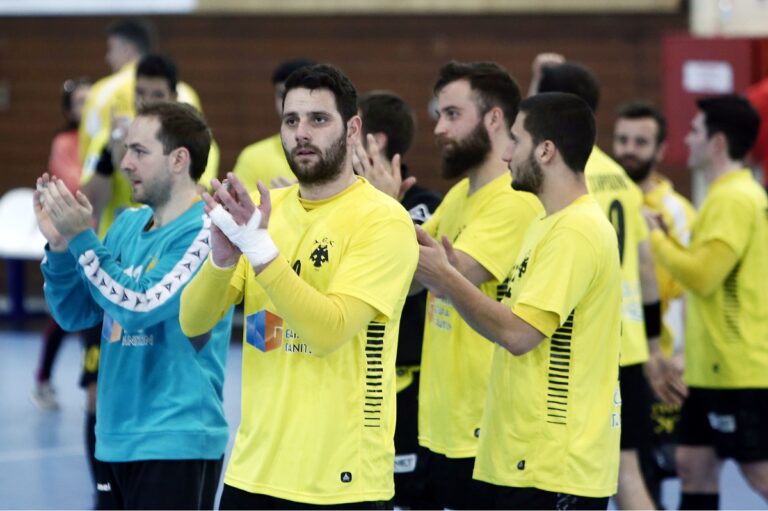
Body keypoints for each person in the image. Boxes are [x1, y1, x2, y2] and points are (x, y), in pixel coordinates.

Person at [180, 64, 418, 508]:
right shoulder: (265, 211)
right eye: (291, 120)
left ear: (353, 130)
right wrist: (221, 259)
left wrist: (259, 249)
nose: (301, 133)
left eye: (318, 119)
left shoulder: (383, 220)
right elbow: (193, 323)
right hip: (253, 473)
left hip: (341, 483)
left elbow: (328, 331)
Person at [415, 92, 622, 510]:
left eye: (516, 140)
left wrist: (449, 280)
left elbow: (517, 335)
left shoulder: (576, 232)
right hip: (526, 458)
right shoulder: (547, 224)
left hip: (554, 463)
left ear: (546, 150)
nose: (506, 153)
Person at [35, 101, 231, 510]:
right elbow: (76, 313)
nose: (125, 163)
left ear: (179, 160)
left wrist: (83, 239)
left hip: (175, 441)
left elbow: (140, 305)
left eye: (139, 151)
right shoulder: (126, 224)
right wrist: (60, 246)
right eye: (126, 150)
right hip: (115, 439)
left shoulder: (206, 232)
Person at [532, 54, 671, 510]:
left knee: (572, 476)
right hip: (629, 342)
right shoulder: (621, 178)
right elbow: (646, 267)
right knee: (626, 472)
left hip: (583, 344)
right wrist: (654, 345)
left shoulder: (563, 172)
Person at [414, 61, 542, 509]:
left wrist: (375, 207)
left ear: (494, 118)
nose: (439, 128)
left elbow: (450, 275)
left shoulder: (513, 199)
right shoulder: (459, 195)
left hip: (489, 426)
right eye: (439, 115)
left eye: (452, 114)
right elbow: (408, 279)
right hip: (447, 422)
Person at [645, 94, 768, 509]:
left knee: (758, 472)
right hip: (709, 367)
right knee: (692, 464)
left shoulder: (734, 198)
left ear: (717, 143)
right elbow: (709, 266)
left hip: (736, 369)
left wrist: (655, 240)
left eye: (695, 131)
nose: (687, 138)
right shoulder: (725, 195)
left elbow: (702, 276)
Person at [352, 90, 442, 509]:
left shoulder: (425, 206)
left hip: (410, 385)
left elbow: (407, 278)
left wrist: (386, 208)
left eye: (353, 129)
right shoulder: (342, 205)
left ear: (376, 142)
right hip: (350, 378)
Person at [613, 100, 696, 506]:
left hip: (657, 361)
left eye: (640, 142)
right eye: (623, 140)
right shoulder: (603, 195)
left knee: (652, 472)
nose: (629, 149)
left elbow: (692, 290)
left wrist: (679, 355)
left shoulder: (678, 213)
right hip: (612, 355)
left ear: (660, 150)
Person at [86, 53, 219, 238]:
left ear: (174, 96)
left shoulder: (196, 142)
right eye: (140, 92)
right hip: (112, 246)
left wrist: (126, 161)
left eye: (157, 94)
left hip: (162, 244)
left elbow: (192, 200)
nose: (146, 101)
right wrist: (107, 158)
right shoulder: (106, 138)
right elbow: (90, 204)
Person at [30, 76, 91, 411]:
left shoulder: (103, 138)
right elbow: (76, 184)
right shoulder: (65, 141)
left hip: (101, 236)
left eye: (91, 100)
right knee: (65, 315)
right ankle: (43, 379)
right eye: (80, 102)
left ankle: (94, 384)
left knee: (98, 318)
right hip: (70, 241)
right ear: (69, 110)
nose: (88, 107)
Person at [79, 19, 201, 173]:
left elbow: (86, 151)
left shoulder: (101, 92)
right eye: (140, 93)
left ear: (127, 49)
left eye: (110, 49)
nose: (107, 57)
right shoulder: (187, 92)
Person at [232, 58, 316, 191]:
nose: (289, 103)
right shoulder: (253, 157)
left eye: (300, 95)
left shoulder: (340, 154)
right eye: (282, 95)